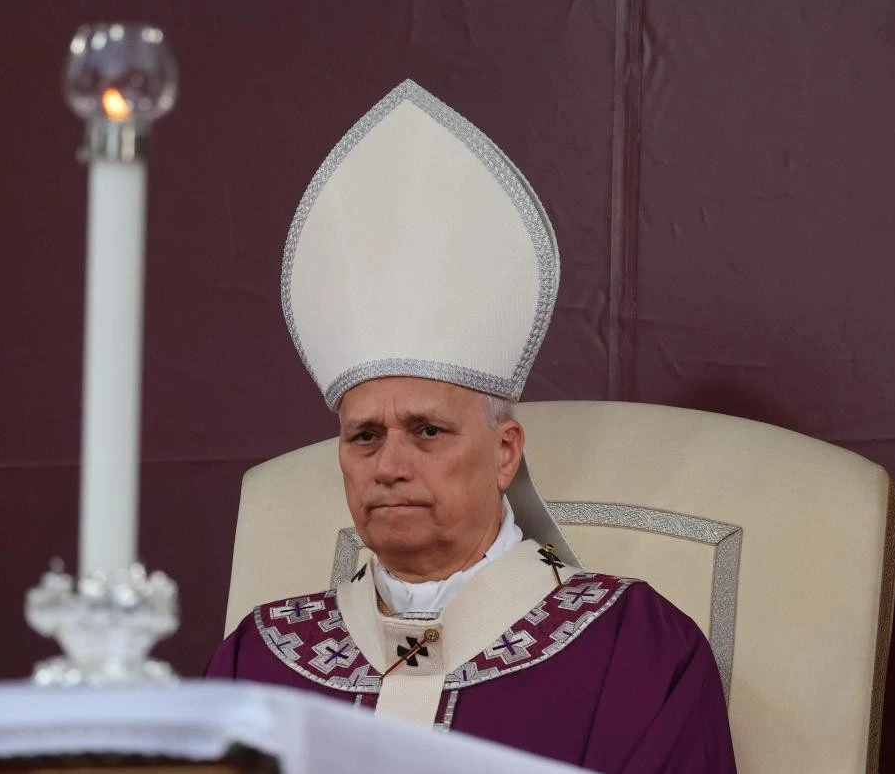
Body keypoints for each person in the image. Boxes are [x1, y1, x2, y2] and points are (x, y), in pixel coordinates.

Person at [205, 81, 736, 773]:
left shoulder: (635, 649)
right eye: (365, 436)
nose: (388, 465)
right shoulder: (260, 658)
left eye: (427, 431)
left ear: (505, 452)